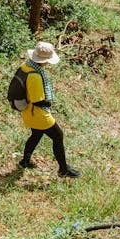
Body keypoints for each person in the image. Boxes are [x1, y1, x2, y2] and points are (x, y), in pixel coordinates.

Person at [13, 41, 80, 178]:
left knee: (36, 135)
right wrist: (48, 103)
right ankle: (63, 169)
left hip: (27, 111)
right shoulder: (36, 76)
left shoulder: (25, 66)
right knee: (58, 136)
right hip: (38, 114)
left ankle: (25, 161)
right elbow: (38, 101)